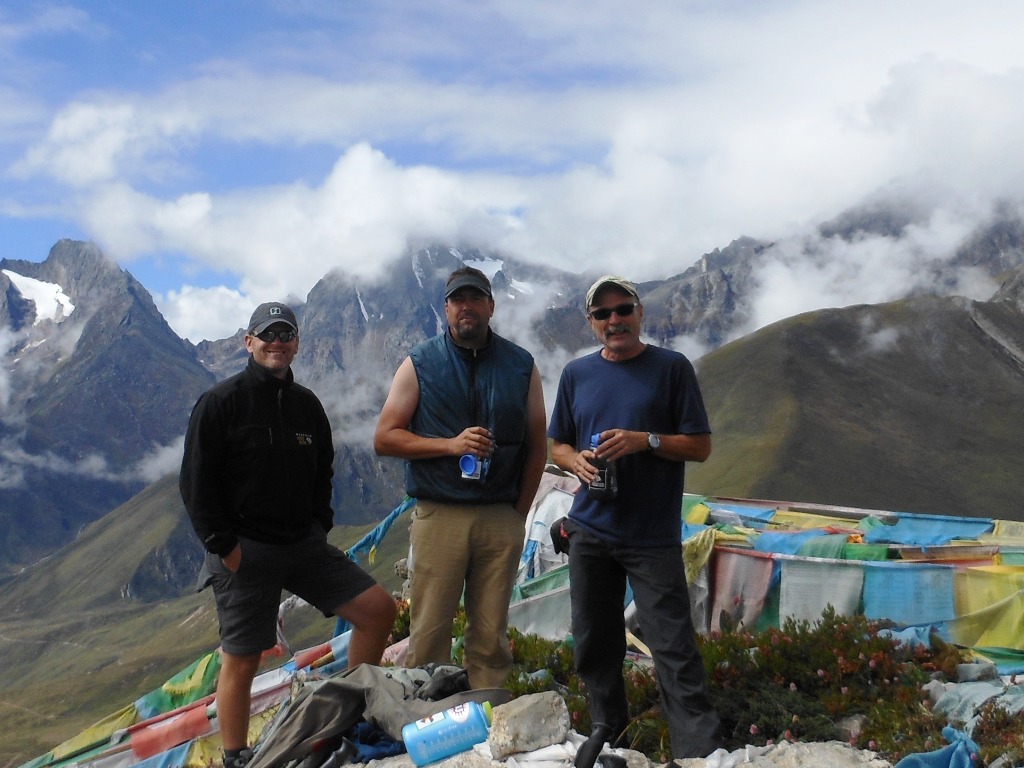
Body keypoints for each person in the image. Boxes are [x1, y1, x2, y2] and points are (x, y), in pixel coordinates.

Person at [180, 301, 397, 768]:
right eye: (267, 334)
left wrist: (319, 528)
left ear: (296, 344)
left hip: (302, 544)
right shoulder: (221, 402)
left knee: (378, 611)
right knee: (243, 656)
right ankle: (236, 756)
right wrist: (226, 549)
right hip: (244, 550)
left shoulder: (307, 406)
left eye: (285, 334)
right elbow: (196, 483)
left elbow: (324, 472)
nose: (276, 342)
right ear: (249, 342)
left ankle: (352, 717)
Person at [547, 275, 722, 762]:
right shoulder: (576, 374)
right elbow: (556, 442)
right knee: (593, 642)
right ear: (591, 323)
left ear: (640, 313)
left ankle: (698, 750)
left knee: (672, 647)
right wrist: (573, 462)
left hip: (651, 536)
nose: (614, 320)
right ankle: (610, 730)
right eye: (602, 314)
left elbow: (701, 446)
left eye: (622, 309)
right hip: (589, 529)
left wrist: (646, 440)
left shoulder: (671, 368)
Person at [373, 266, 547, 690]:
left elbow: (537, 446)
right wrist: (450, 446)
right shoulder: (420, 363)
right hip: (440, 515)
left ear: (490, 305)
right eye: (457, 300)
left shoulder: (521, 366)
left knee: (490, 637)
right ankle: (423, 724)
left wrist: (516, 516)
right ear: (446, 308)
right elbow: (385, 437)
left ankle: (490, 720)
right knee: (429, 633)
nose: (465, 307)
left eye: (474, 299)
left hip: (499, 517)